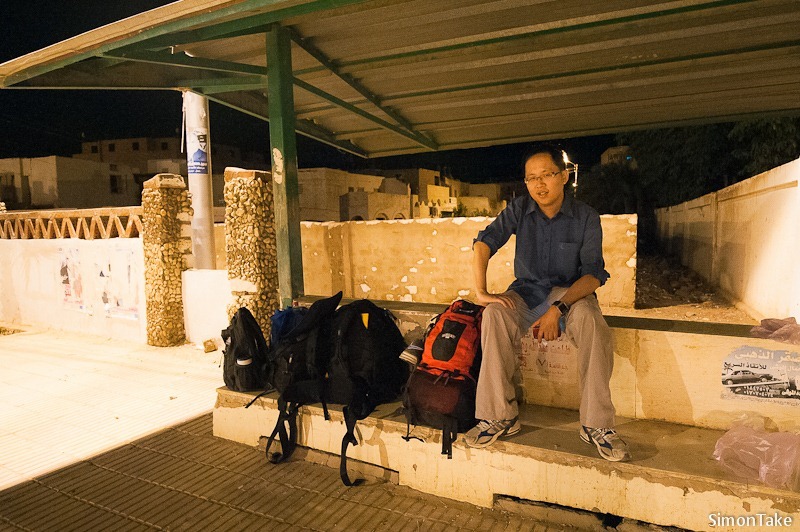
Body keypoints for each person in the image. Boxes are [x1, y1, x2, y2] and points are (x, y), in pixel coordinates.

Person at [464, 144, 630, 462]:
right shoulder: (520, 209)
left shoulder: (585, 217)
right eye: (531, 178)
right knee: (494, 314)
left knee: (592, 323)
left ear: (564, 176)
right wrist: (482, 292)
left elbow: (594, 275)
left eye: (547, 175)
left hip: (572, 295)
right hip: (526, 293)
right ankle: (500, 416)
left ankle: (596, 424)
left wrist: (559, 308)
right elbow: (484, 242)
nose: (539, 184)